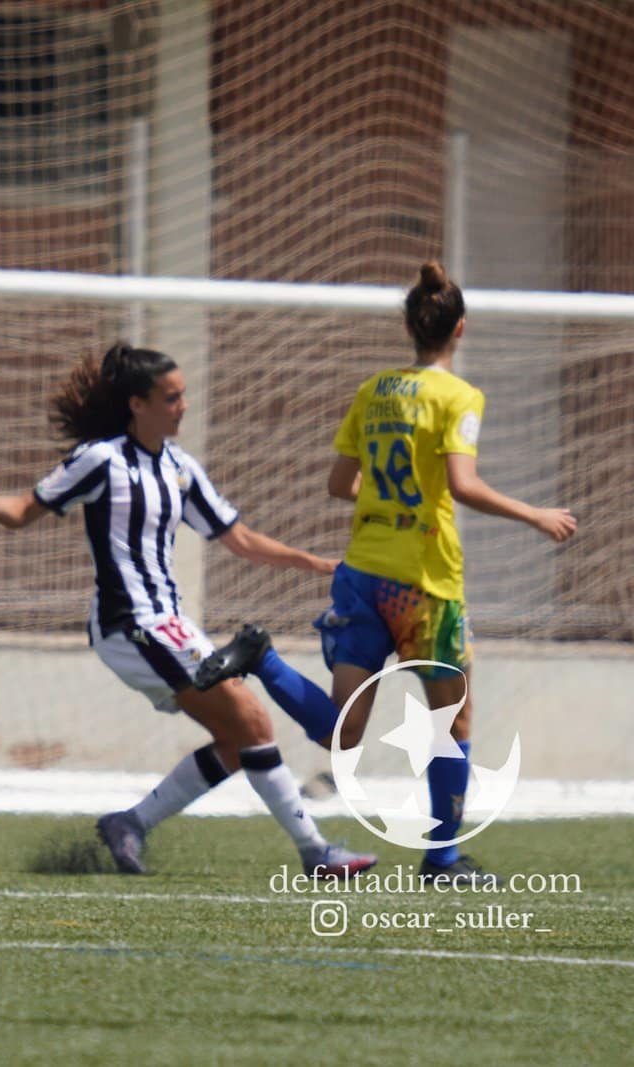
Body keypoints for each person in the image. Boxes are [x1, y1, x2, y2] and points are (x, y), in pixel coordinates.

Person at [198, 261, 577, 888]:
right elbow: (462, 485)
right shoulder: (459, 397)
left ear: (409, 327)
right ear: (460, 329)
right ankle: (442, 862)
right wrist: (534, 514)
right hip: (423, 583)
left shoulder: (374, 391)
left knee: (343, 732)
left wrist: (387, 505)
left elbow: (338, 483)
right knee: (452, 721)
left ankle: (264, 659)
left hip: (362, 572)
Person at [0, 342, 377, 878]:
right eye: (171, 397)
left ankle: (130, 823)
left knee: (239, 739)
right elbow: (22, 510)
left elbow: (240, 538)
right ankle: (315, 851)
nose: (183, 406)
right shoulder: (101, 460)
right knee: (252, 721)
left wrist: (315, 563)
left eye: (183, 395)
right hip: (131, 625)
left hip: (170, 624)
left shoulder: (181, 468)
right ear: (137, 404)